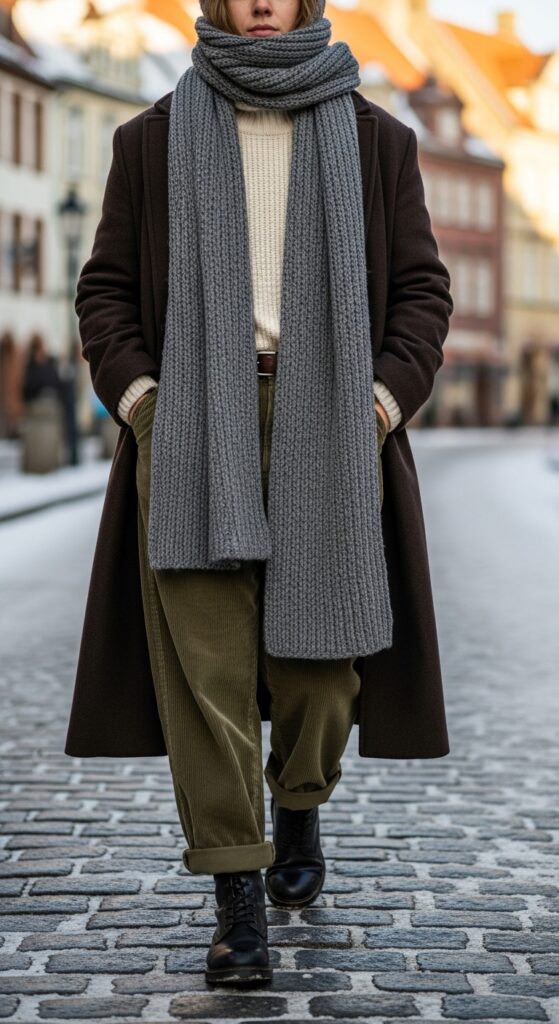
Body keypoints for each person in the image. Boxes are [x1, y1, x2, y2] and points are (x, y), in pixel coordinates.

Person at [73, 0, 452, 989]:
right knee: (207, 678)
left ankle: (300, 797)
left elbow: (422, 290)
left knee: (321, 674)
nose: (260, 0)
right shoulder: (152, 138)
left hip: (330, 424)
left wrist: (379, 401)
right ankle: (237, 897)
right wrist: (144, 400)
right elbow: (104, 288)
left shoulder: (377, 140)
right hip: (195, 425)